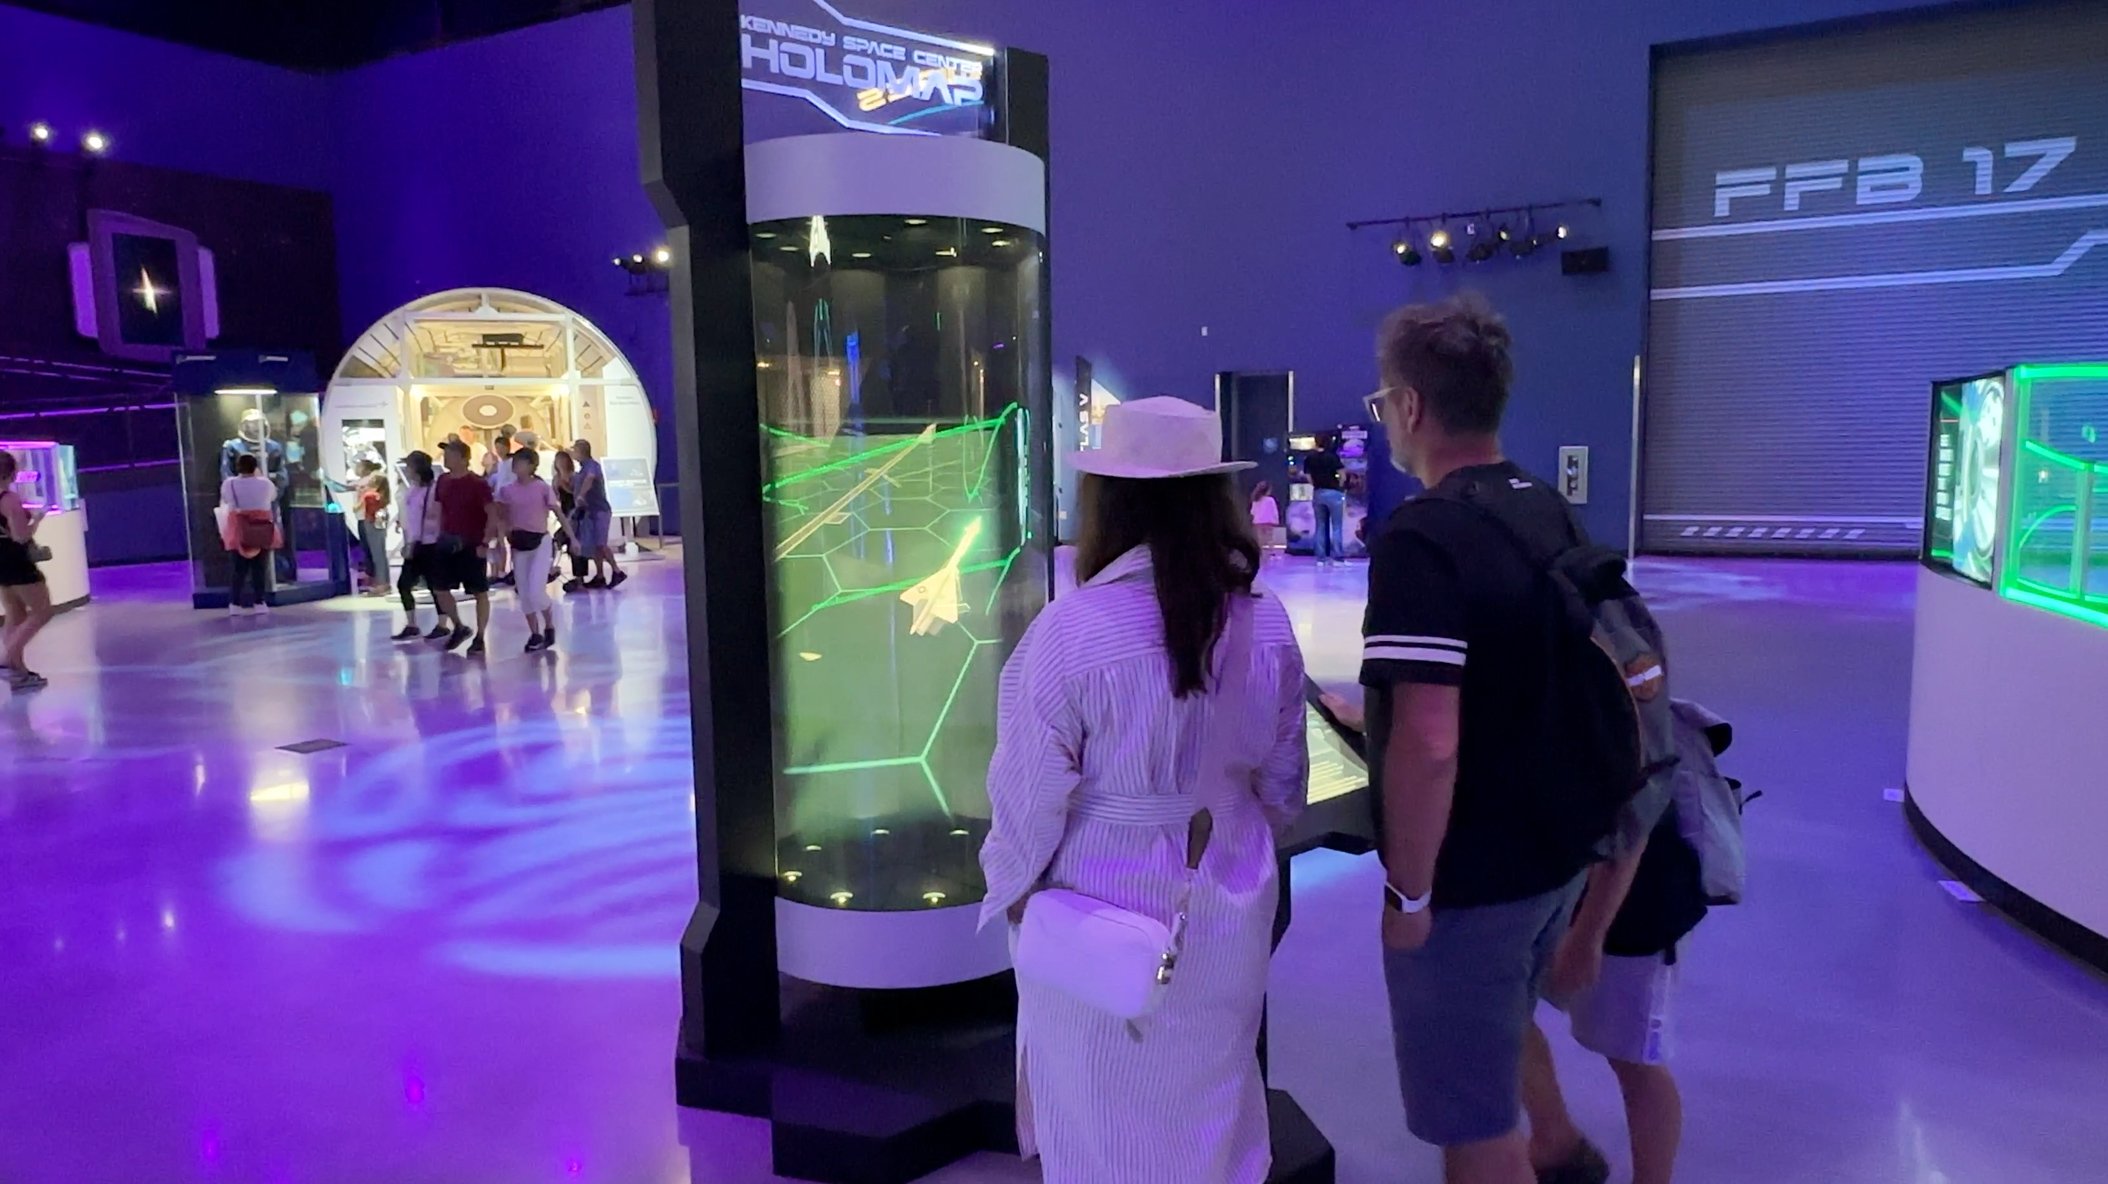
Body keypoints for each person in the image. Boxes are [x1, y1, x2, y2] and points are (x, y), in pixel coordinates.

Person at [979, 396, 1309, 1184]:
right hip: (1227, 907)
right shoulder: (1265, 626)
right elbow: (1285, 788)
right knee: (1214, 1112)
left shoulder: (1073, 631)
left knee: (1101, 1126)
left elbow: (1026, 802)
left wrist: (1013, 898)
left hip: (1097, 920)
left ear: (1106, 501)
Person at [1361, 293, 1605, 1184]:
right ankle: (1561, 1147)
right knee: (1500, 1032)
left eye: (1384, 400)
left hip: (1473, 881)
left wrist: (1410, 896)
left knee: (1472, 1123)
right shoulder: (1544, 508)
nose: (1385, 416)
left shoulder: (1424, 537)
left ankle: (1529, 1151)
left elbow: (1430, 742)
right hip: (1555, 859)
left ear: (1413, 407)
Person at [1520, 796, 1707, 1184]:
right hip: (1550, 875)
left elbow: (1638, 812)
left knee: (1633, 1057)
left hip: (1632, 903)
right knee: (1500, 1013)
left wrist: (1590, 933)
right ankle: (1555, 1140)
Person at [431, 440, 496, 656]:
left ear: (462, 458)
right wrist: (438, 535)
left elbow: (491, 513)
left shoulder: (477, 483)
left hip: (472, 543)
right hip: (447, 542)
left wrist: (485, 541)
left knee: (479, 591)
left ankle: (480, 636)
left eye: (449, 454)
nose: (445, 459)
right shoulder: (442, 481)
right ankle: (459, 625)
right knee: (439, 587)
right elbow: (440, 510)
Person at [496, 448, 561, 653]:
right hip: (519, 544)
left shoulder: (542, 487)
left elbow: (557, 511)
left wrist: (572, 537)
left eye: (522, 462)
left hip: (540, 541)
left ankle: (549, 623)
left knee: (536, 590)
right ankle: (535, 632)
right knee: (524, 592)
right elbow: (501, 516)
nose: (517, 466)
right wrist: (501, 536)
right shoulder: (506, 491)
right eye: (515, 462)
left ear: (532, 466)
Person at [0, 451, 54, 692]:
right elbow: (21, 536)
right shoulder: (8, 499)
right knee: (42, 611)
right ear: (11, 473)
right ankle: (9, 660)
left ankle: (19, 673)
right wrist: (38, 520)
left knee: (15, 613)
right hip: (15, 561)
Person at [392, 451, 448, 643]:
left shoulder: (431, 490)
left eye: (409, 466)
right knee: (404, 584)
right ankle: (412, 624)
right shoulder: (413, 489)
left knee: (435, 586)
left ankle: (443, 624)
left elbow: (434, 517)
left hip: (429, 544)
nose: (406, 469)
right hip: (416, 543)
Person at [220, 453, 279, 617]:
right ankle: (259, 601)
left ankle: (235, 603)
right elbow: (272, 497)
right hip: (262, 527)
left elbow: (226, 500)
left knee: (238, 568)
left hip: (239, 528)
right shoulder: (266, 483)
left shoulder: (229, 484)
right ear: (256, 467)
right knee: (259, 567)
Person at [567, 439, 626, 590]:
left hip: (600, 511)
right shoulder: (581, 469)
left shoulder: (592, 467)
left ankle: (616, 571)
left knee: (601, 544)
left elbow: (590, 479)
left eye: (575, 450)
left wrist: (581, 495)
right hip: (589, 512)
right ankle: (600, 575)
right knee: (594, 545)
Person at [550, 447, 590, 590]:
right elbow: (555, 499)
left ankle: (580, 578)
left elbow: (576, 494)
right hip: (566, 515)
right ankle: (551, 569)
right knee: (557, 540)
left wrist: (565, 485)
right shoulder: (556, 479)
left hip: (577, 515)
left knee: (575, 546)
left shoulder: (574, 477)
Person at [1303, 436, 1346, 566]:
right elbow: (1342, 475)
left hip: (1318, 492)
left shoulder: (1309, 458)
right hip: (1334, 492)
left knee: (1320, 526)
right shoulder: (1333, 457)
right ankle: (1338, 558)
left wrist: (1316, 485)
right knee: (1337, 526)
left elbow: (1307, 476)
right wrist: (1340, 486)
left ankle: (1320, 558)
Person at [1248, 480, 1283, 565]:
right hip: (1269, 521)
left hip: (1258, 521)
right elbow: (1274, 511)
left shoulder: (1255, 500)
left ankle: (1260, 554)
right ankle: (1271, 554)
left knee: (1260, 539)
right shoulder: (1270, 500)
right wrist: (1276, 520)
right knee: (1269, 538)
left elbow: (1252, 512)